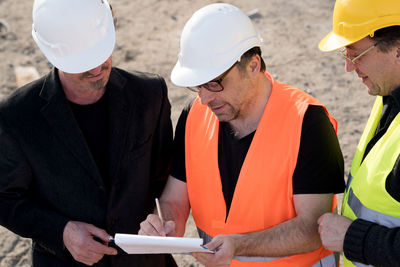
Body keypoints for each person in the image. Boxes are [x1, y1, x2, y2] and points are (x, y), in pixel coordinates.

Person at [139, 3, 345, 266]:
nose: (205, 98)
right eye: (198, 86)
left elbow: (312, 228)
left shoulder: (308, 121)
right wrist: (165, 226)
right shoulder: (193, 116)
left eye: (215, 83)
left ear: (253, 65)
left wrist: (239, 245)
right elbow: (175, 200)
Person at [0, 0, 176, 266]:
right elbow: (5, 198)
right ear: (51, 53)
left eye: (100, 55)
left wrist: (163, 217)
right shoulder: (16, 116)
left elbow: (167, 178)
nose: (96, 69)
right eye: (82, 63)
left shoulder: (150, 94)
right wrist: (61, 232)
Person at [317, 0, 400, 266]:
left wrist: (353, 237)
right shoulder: (388, 93)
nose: (349, 67)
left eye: (356, 55)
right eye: (345, 54)